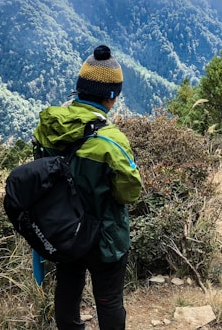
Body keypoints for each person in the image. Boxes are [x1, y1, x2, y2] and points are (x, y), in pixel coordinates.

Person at [32, 45, 143, 330]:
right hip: (104, 236)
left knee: (68, 285)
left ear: (79, 90)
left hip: (64, 230)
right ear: (111, 97)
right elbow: (129, 193)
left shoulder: (49, 128)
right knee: (108, 299)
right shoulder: (111, 141)